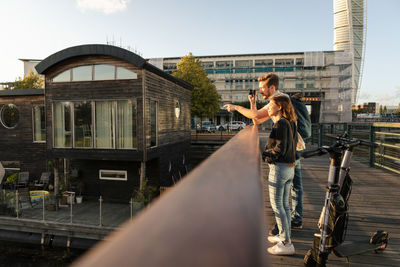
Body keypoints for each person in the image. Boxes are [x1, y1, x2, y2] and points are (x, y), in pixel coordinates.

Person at [224, 73, 311, 234]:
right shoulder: (279, 99)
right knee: (294, 187)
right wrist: (252, 102)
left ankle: (284, 228)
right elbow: (257, 120)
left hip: (286, 151)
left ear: (272, 87)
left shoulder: (278, 99)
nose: (261, 91)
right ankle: (295, 219)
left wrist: (235, 107)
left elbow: (256, 117)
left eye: (263, 88)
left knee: (282, 195)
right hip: (293, 147)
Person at [263, 94, 298, 254]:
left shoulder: (281, 124)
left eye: (271, 105)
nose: (268, 107)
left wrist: (267, 156)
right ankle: (284, 236)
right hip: (289, 168)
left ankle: (286, 243)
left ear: (280, 106)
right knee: (284, 205)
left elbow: (279, 148)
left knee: (278, 206)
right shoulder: (290, 122)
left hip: (279, 168)